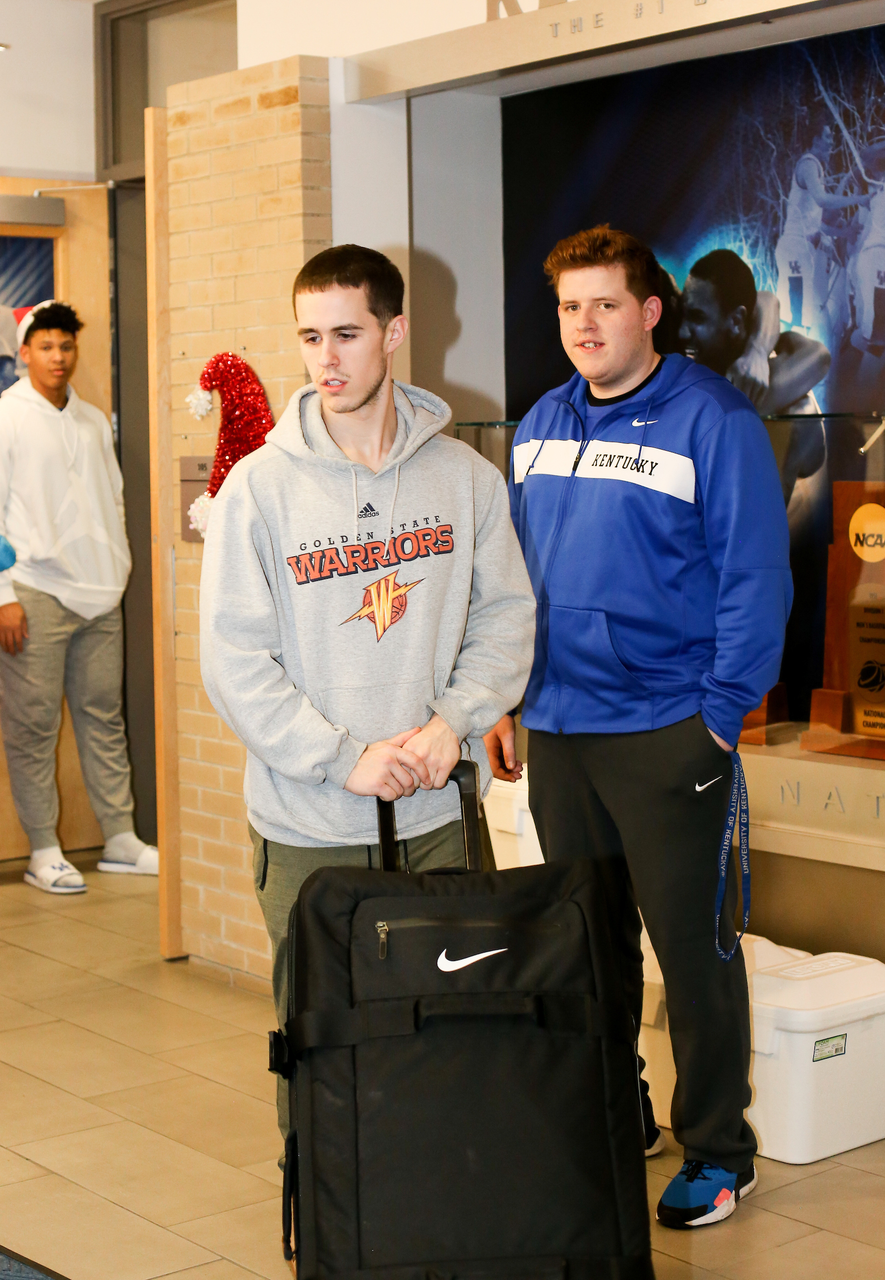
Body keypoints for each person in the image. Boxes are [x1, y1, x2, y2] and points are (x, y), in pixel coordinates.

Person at [484, 226, 792, 1228]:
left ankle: (720, 1150)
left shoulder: (713, 421)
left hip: (668, 731)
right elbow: (512, 582)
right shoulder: (538, 422)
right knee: (588, 942)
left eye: (604, 304)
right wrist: (505, 695)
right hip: (560, 728)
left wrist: (718, 715)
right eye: (570, 307)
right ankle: (622, 1109)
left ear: (649, 311)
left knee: (692, 948)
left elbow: (756, 579)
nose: (584, 324)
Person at [199, 244, 535, 1138]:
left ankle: (446, 1218)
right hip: (311, 829)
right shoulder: (258, 493)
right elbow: (233, 662)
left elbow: (506, 618)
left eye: (346, 334)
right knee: (325, 1053)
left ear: (394, 333)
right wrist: (341, 759)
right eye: (310, 337)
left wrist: (450, 725)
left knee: (453, 1037)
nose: (326, 360)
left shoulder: (464, 479)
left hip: (437, 823)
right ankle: (331, 1229)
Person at [0, 301, 158, 892]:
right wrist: (3, 595)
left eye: (66, 346)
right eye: (46, 346)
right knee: (32, 727)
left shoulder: (92, 420)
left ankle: (119, 838)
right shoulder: (7, 416)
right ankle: (44, 849)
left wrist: (117, 570)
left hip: (99, 594)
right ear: (26, 352)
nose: (58, 357)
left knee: (103, 718)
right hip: (34, 593)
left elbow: (113, 502)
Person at [679, 248, 829, 504]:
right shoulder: (692, 362)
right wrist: (757, 349)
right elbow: (765, 300)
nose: (682, 332)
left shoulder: (787, 397)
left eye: (697, 318)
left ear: (737, 321)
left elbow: (819, 355)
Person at [774, 119, 866, 333]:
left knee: (800, 314)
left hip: (802, 249)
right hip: (795, 247)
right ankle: (785, 361)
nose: (832, 141)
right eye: (827, 136)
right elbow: (824, 200)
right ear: (815, 140)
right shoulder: (808, 164)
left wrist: (844, 232)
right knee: (795, 315)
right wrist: (858, 199)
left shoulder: (816, 169)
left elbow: (819, 225)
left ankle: (796, 359)